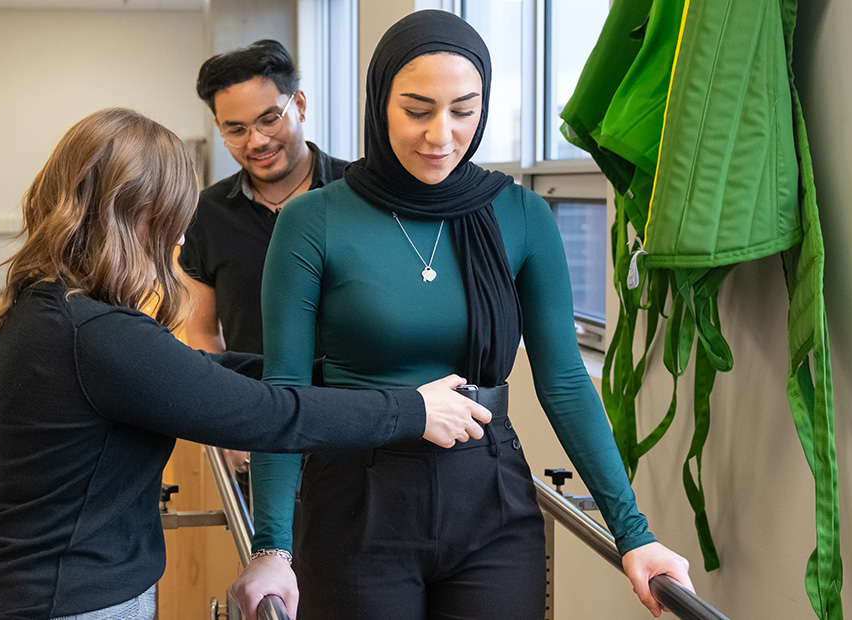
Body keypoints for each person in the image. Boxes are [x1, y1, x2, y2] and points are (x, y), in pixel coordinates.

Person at [232, 10, 694, 620]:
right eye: (417, 111)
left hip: (490, 497)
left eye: (463, 110)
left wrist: (633, 532)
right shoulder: (313, 220)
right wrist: (272, 546)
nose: (441, 135)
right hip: (356, 498)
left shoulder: (523, 215)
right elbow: (284, 391)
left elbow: (563, 382)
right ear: (380, 103)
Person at [0, 107, 493, 620]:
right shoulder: (94, 333)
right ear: (129, 216)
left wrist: (336, 376)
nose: (181, 240)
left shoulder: (53, 309)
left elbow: (199, 372)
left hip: (29, 590)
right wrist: (411, 410)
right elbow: (264, 414)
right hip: (64, 602)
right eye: (171, 223)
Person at [183, 39, 351, 475]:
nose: (256, 141)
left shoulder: (361, 194)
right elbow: (202, 334)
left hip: (360, 428)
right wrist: (229, 425)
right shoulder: (206, 214)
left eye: (269, 119)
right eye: (235, 129)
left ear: (299, 103)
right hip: (262, 431)